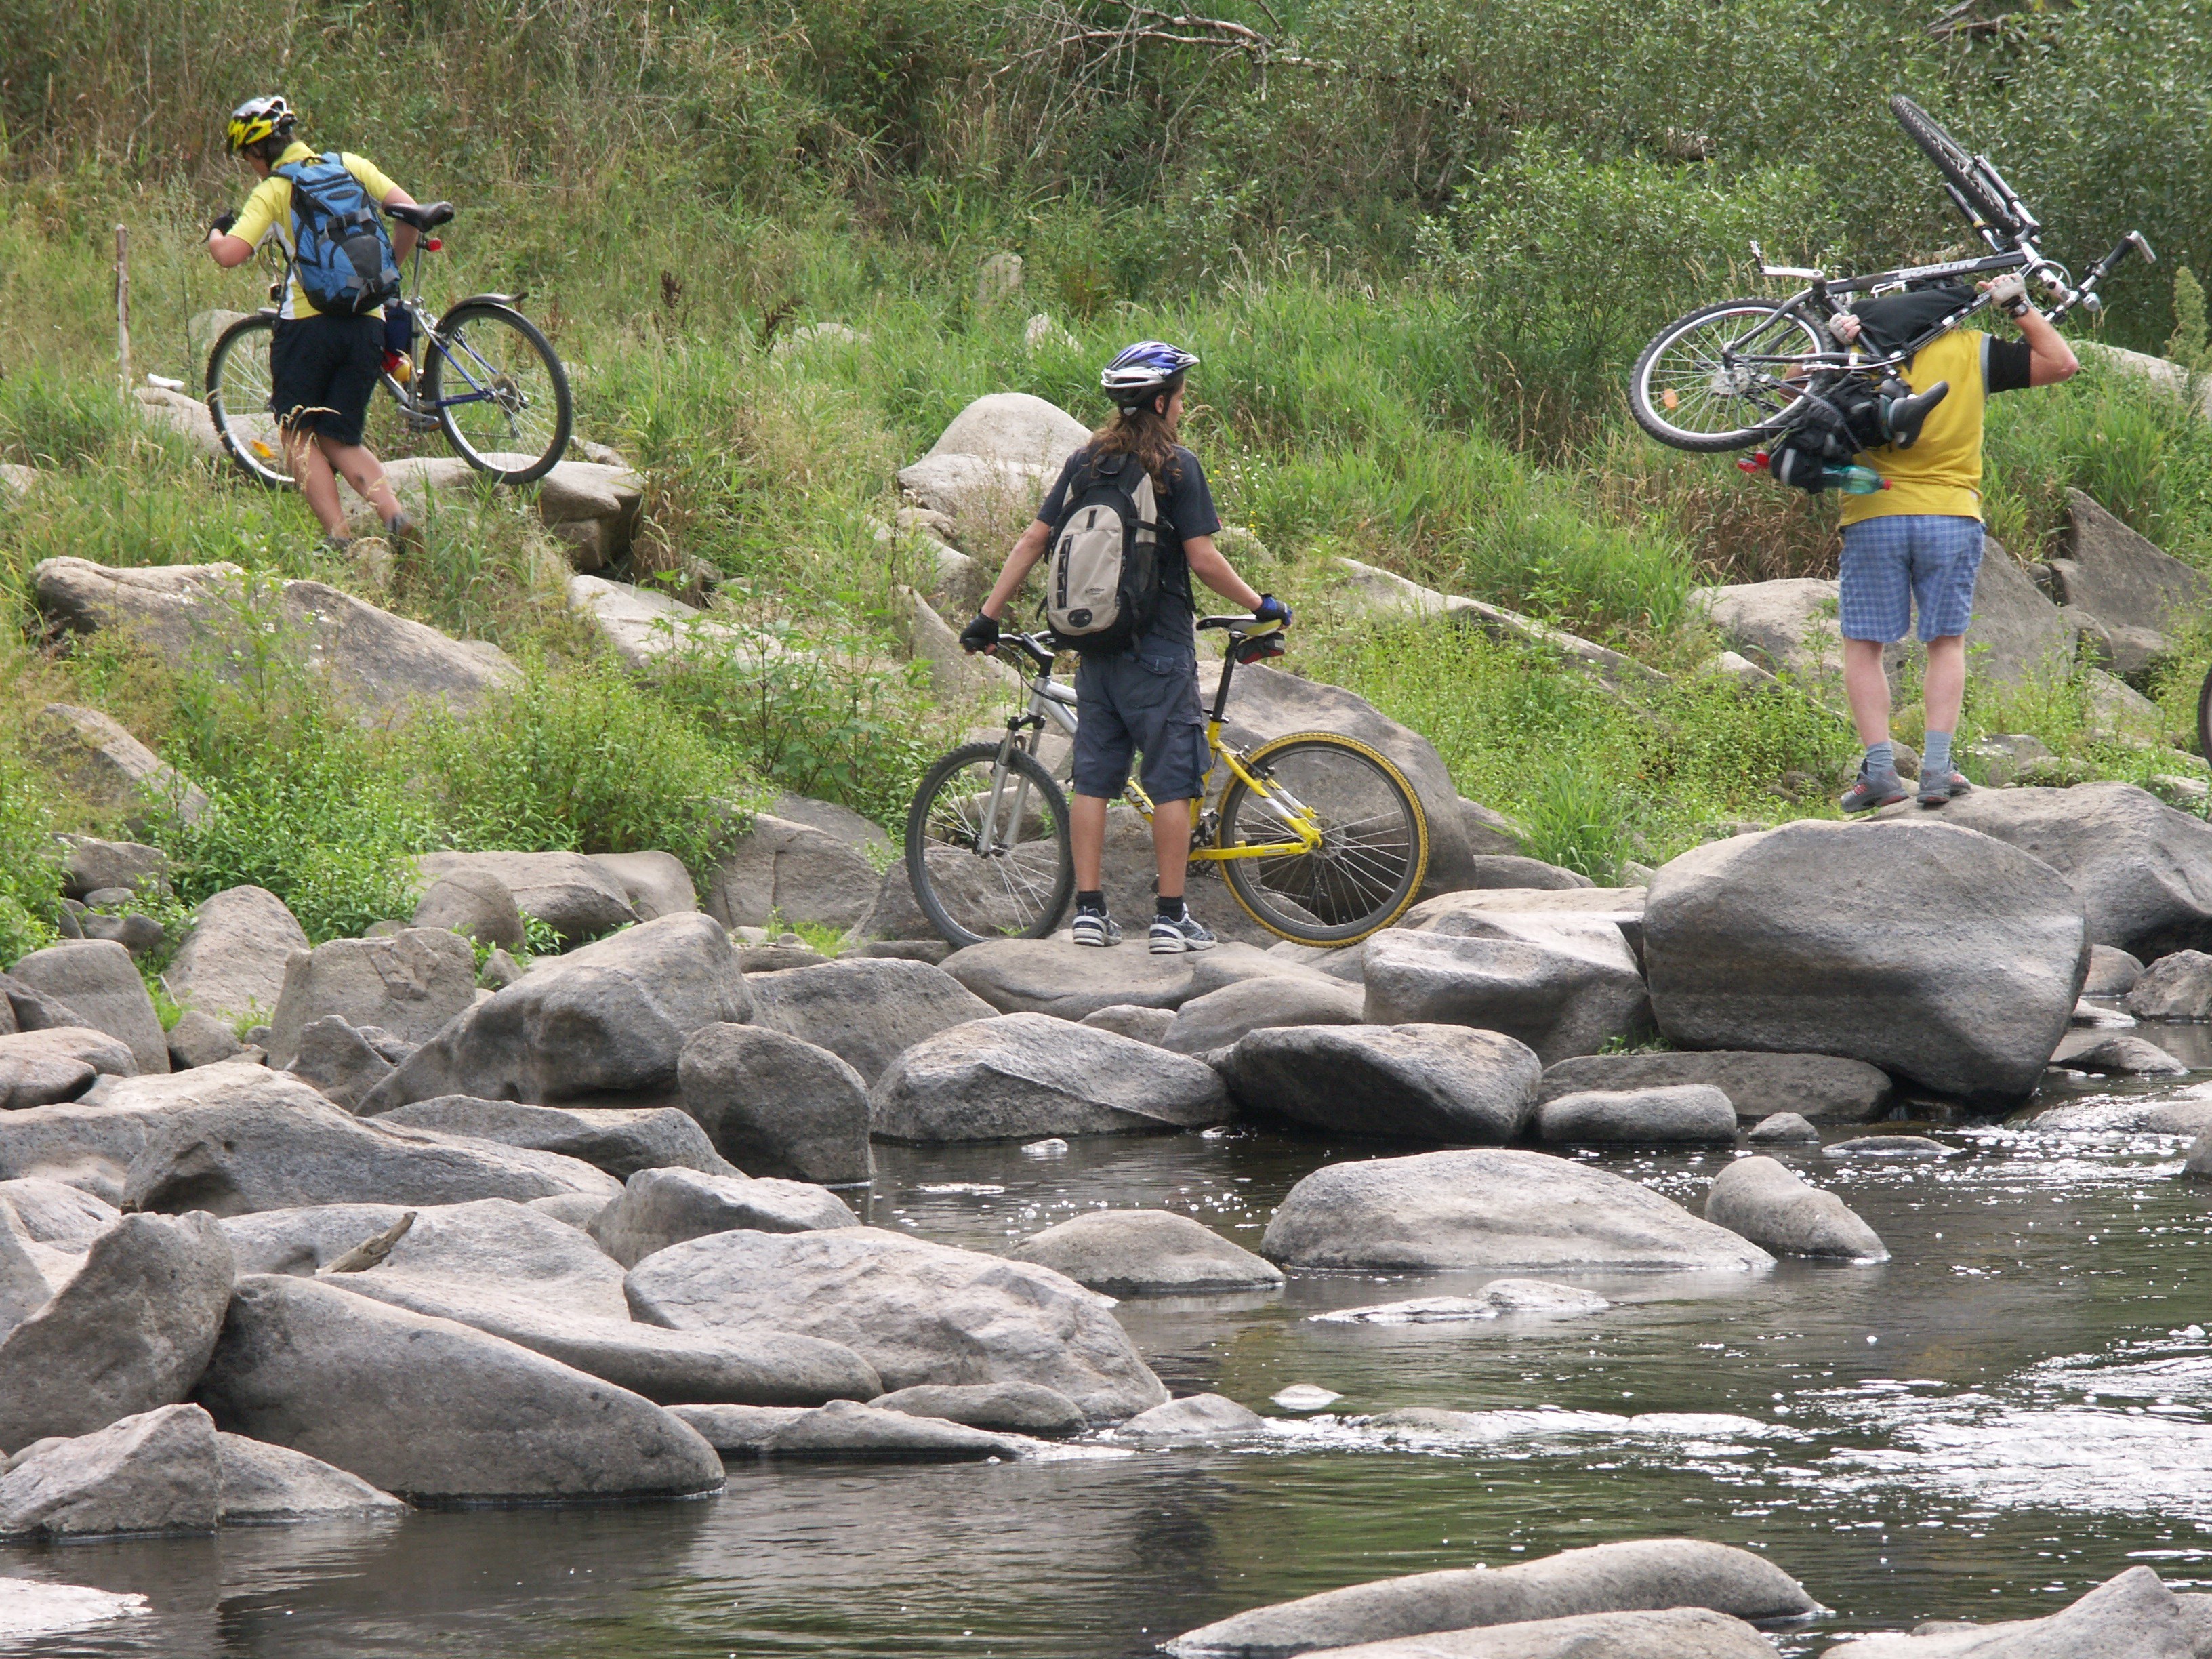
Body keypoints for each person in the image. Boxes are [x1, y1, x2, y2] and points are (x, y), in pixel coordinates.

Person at [959, 342, 1292, 952]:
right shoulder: (1178, 466)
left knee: (1092, 780)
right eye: (1181, 396)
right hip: (1159, 647)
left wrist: (987, 616)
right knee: (1172, 782)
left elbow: (1033, 541)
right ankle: (1170, 918)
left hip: (1095, 647)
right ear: (1161, 403)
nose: (1183, 406)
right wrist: (1261, 604)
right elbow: (1203, 559)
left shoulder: (1085, 462)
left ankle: (1089, 913)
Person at [1830, 271, 2078, 811]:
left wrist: (1828, 340)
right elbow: (2062, 364)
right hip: (1951, 514)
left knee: (1864, 647)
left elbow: (1788, 397)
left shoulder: (1860, 348)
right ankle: (1938, 770)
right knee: (1945, 642)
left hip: (1874, 514)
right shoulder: (1974, 348)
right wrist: (2018, 307)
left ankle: (1880, 772)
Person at [205, 95, 422, 556]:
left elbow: (230, 255)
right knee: (341, 437)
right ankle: (396, 518)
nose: (251, 167)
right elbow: (409, 214)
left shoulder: (273, 189)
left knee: (297, 432)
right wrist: (384, 280)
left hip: (308, 327)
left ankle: (338, 538)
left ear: (258, 151)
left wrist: (216, 232)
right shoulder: (349, 165)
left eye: (247, 158)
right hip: (368, 325)